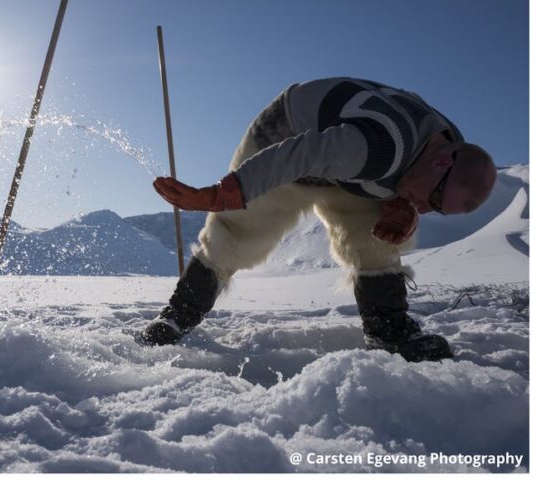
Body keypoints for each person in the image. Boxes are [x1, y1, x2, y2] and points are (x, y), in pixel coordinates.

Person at [140, 77, 496, 362]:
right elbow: (300, 156)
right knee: (234, 233)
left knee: (379, 240)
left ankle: (388, 331)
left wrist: (404, 202)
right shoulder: (379, 148)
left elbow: (408, 137)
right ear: (441, 163)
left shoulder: (449, 146)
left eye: (439, 209)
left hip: (351, 166)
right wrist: (219, 195)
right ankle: (176, 316)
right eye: (432, 200)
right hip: (286, 137)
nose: (428, 209)